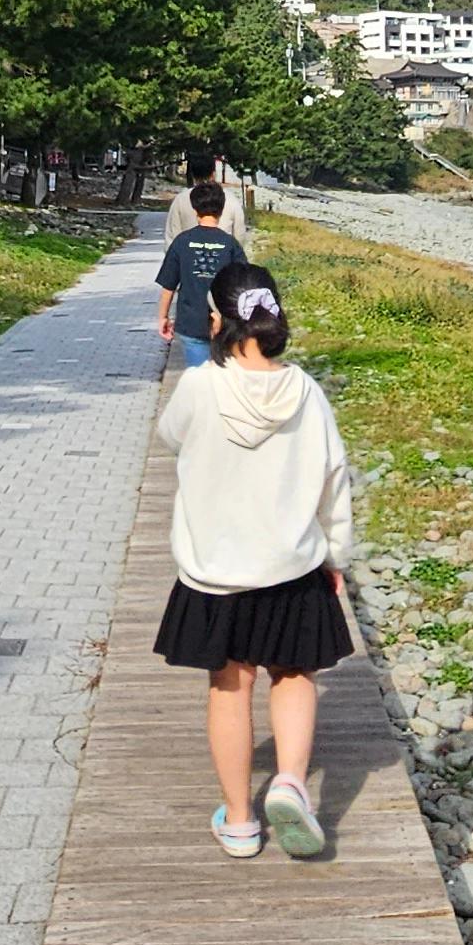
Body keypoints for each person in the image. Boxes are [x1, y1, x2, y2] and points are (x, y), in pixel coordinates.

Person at [154, 255, 352, 859]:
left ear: (218, 321)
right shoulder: (306, 392)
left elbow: (171, 436)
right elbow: (333, 478)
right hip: (291, 566)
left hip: (218, 572)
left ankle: (240, 821)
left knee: (230, 686)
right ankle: (290, 782)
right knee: (294, 676)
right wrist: (335, 553)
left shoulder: (199, 387)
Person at [155, 176, 246, 368]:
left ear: (195, 209)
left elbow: (168, 286)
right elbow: (242, 285)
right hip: (224, 324)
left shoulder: (182, 242)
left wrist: (163, 317)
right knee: (223, 378)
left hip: (190, 321)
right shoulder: (230, 245)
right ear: (221, 210)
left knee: (199, 377)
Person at [162, 144, 248, 247]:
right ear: (213, 173)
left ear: (192, 175)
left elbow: (172, 237)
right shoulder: (230, 199)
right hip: (224, 259)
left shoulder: (181, 200)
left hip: (189, 258)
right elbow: (239, 236)